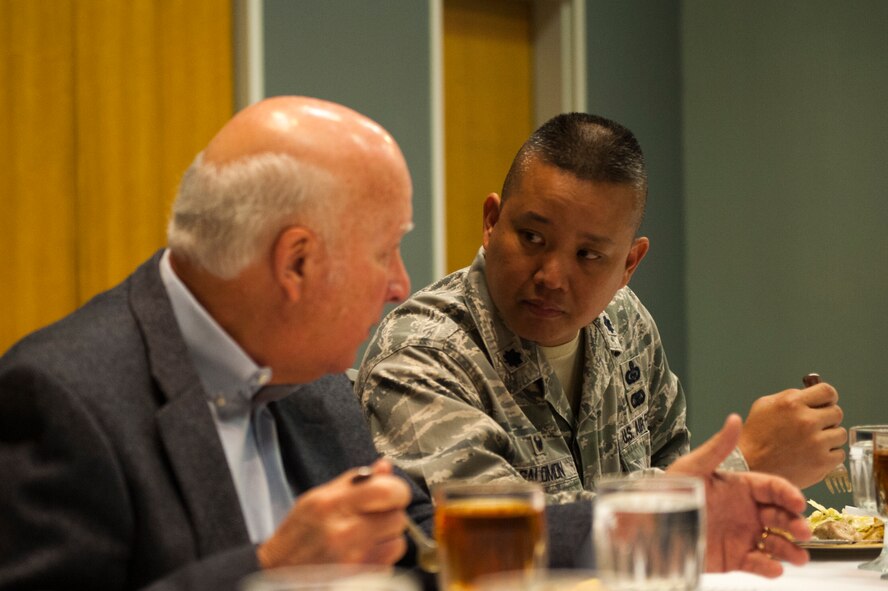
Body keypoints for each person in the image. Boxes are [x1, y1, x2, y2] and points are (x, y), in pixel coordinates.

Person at [0, 98, 809, 591]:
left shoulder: (316, 388)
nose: (401, 282)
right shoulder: (63, 397)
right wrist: (268, 570)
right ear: (296, 263)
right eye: (385, 249)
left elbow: (438, 538)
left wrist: (657, 518)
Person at [356, 112, 846, 504]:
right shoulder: (420, 356)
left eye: (588, 255)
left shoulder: (625, 322)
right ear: (491, 222)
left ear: (629, 264)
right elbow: (502, 541)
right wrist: (740, 465)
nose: (551, 276)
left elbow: (670, 465)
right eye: (532, 237)